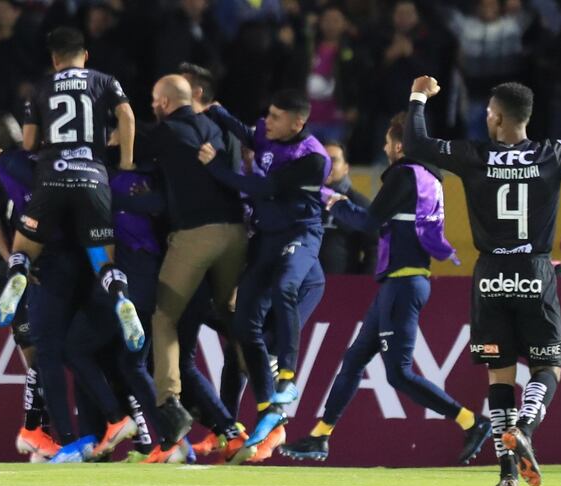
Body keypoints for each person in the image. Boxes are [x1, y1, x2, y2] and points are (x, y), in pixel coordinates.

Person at [402, 73, 561, 486]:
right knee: (549, 366)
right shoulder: (552, 154)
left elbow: (416, 145)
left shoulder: (473, 156)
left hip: (489, 277)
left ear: (499, 118)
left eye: (488, 113)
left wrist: (418, 98)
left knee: (499, 376)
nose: (486, 117)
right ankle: (525, 425)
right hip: (534, 271)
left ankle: (506, 474)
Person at [280, 113, 491, 465]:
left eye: (388, 142)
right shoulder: (430, 178)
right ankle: (320, 436)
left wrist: (332, 201)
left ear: (400, 145)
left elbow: (367, 221)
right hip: (402, 282)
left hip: (403, 284)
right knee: (353, 361)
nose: (383, 148)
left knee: (398, 373)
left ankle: (471, 421)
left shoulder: (404, 174)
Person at [0, 26, 142, 456]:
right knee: (103, 259)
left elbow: (29, 143)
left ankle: (17, 274)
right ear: (84, 55)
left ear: (55, 59)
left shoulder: (41, 87)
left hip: (51, 178)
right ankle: (119, 294)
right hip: (94, 177)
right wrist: (126, 161)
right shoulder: (104, 81)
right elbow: (128, 116)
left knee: (25, 248)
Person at [200, 89, 331, 452]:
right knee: (242, 330)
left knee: (284, 291)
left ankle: (286, 381)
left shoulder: (313, 160)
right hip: (268, 241)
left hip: (300, 240)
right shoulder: (266, 134)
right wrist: (218, 112)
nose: (267, 122)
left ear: (298, 122)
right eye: (268, 114)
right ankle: (251, 419)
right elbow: (247, 131)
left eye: (275, 117)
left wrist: (215, 168)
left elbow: (264, 187)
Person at [143, 74, 247, 448]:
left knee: (164, 317)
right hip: (236, 232)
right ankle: (266, 381)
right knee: (232, 312)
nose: (153, 105)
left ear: (166, 103)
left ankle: (169, 403)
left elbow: (125, 151)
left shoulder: (164, 131)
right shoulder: (218, 126)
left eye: (156, 99)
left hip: (195, 236)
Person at [0, 111, 57, 462]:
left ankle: (39, 433)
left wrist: (11, 258)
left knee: (38, 356)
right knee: (42, 356)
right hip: (30, 268)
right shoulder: (37, 165)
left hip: (8, 269)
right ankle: (37, 432)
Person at [319, 141, 377, 274]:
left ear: (346, 168)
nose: (327, 164)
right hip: (301, 291)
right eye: (322, 159)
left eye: (333, 160)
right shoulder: (302, 200)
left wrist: (362, 285)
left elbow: (375, 249)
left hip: (342, 290)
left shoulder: (359, 204)